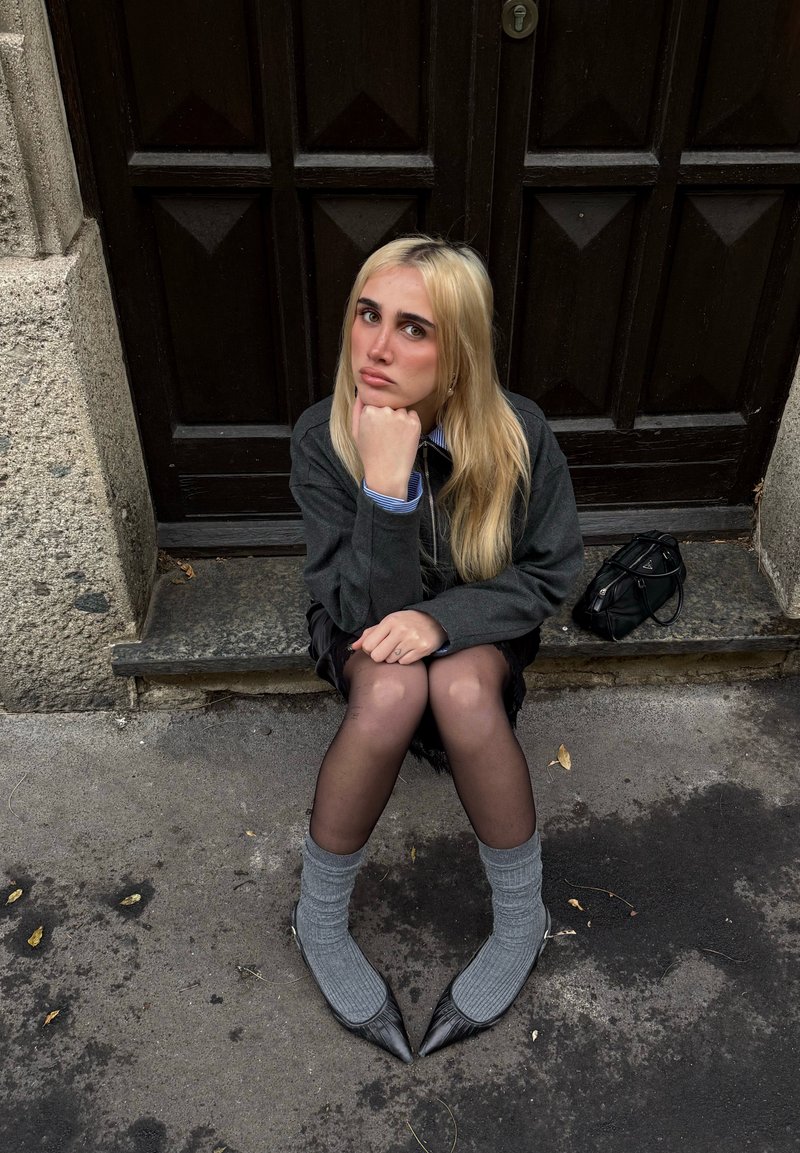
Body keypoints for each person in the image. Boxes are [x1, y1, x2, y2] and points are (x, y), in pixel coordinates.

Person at [289, 235, 583, 1062]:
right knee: (389, 690)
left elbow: (551, 572)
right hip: (359, 624)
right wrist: (384, 486)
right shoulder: (323, 438)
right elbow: (353, 609)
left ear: (458, 355)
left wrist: (445, 620)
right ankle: (317, 918)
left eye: (413, 329)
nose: (378, 348)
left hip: (480, 628)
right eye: (367, 315)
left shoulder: (519, 432)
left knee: (453, 687)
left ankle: (523, 919)